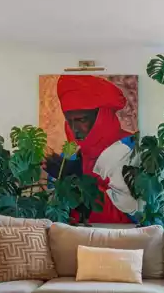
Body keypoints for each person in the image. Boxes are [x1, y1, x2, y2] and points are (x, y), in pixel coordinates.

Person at [46, 74, 139, 223]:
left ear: (102, 115)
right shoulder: (69, 155)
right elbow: (55, 210)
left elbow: (130, 215)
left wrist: (74, 177)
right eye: (69, 121)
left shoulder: (128, 149)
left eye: (82, 120)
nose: (75, 129)